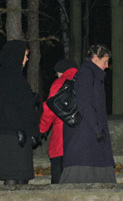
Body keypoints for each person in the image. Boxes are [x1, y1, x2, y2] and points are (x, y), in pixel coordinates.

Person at [59, 44, 116, 184]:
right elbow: (84, 103)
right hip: (85, 130)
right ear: (95, 58)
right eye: (105, 61)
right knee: (84, 164)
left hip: (89, 128)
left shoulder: (92, 74)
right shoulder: (86, 73)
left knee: (95, 161)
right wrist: (96, 128)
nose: (107, 66)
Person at [0, 40, 41, 185]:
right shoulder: (6, 75)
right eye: (25, 55)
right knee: (12, 173)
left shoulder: (15, 75)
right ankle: (9, 200)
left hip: (20, 132)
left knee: (22, 174)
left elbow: (21, 103)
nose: (26, 59)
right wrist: (18, 128)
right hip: (10, 133)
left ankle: (20, 200)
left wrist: (32, 131)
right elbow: (6, 105)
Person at [39, 58, 78, 184]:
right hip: (83, 136)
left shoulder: (59, 83)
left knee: (59, 174)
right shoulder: (85, 81)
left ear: (61, 71)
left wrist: (42, 129)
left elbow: (50, 110)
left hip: (62, 135)